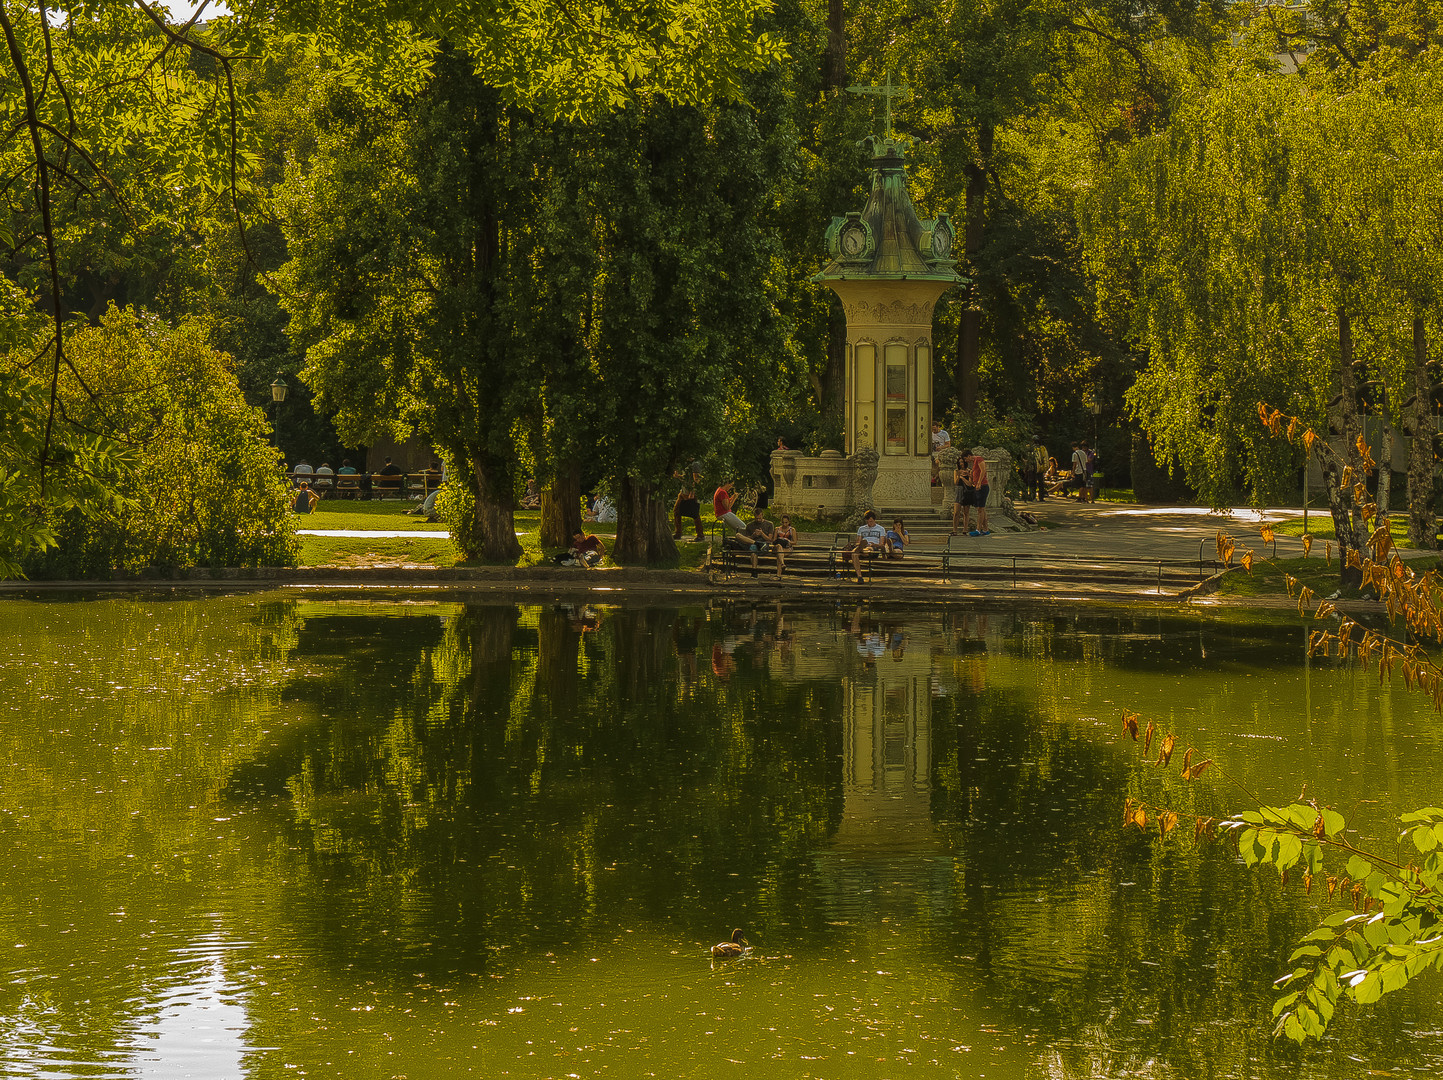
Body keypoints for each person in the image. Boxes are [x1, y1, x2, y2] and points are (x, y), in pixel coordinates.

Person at [736, 509, 784, 579]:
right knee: (738, 536)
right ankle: (754, 572)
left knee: (754, 551)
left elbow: (770, 539)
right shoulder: (750, 525)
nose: (758, 520)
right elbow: (747, 539)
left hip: (764, 545)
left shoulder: (769, 524)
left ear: (762, 515)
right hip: (753, 545)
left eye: (759, 518)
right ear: (754, 516)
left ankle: (759, 544)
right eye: (756, 518)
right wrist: (754, 535)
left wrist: (762, 534)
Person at [844, 510, 888, 584]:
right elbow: (858, 542)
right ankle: (859, 577)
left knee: (866, 548)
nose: (869, 523)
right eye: (868, 521)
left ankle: (861, 548)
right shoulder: (861, 529)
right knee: (854, 554)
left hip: (873, 548)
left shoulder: (880, 529)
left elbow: (881, 544)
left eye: (871, 521)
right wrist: (859, 544)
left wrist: (873, 544)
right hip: (862, 546)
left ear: (874, 520)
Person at [673, 472, 704, 541]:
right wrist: (678, 476)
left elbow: (697, 479)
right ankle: (678, 533)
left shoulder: (695, 464)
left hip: (690, 494)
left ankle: (700, 535)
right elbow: (686, 479)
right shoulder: (686, 465)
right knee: (676, 511)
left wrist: (692, 492)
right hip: (683, 493)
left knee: (694, 513)